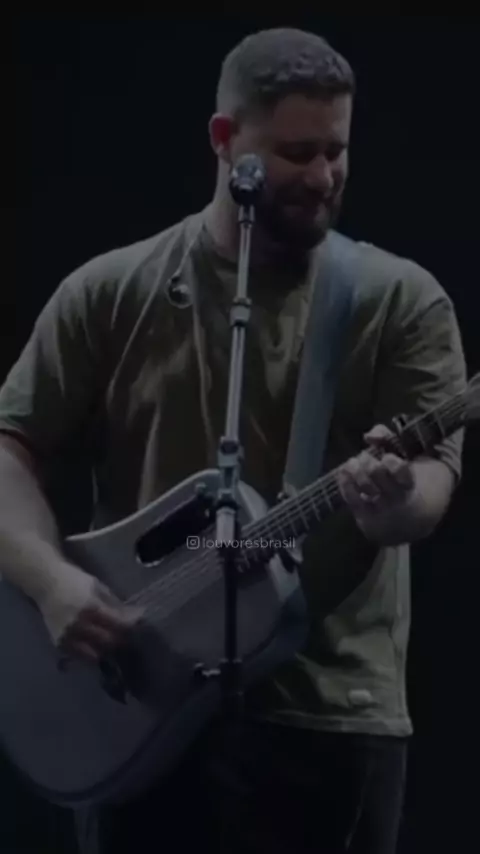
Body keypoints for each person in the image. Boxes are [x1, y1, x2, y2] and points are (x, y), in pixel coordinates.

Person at [0, 26, 466, 854]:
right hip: (138, 712)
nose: (322, 177)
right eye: (296, 153)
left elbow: (430, 486)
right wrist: (50, 583)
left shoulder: (400, 299)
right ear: (224, 139)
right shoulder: (111, 291)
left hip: (330, 718)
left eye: (336, 152)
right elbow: (9, 448)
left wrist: (394, 503)